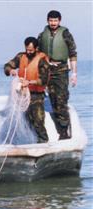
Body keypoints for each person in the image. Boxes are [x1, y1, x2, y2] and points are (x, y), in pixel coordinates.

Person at [37, 10, 78, 139]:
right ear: (47, 21)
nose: (53, 23)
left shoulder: (66, 34)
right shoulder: (42, 35)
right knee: (52, 100)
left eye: (55, 20)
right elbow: (37, 54)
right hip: (47, 70)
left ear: (59, 21)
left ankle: (64, 131)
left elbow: (72, 54)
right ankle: (55, 131)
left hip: (61, 70)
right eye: (51, 20)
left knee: (61, 100)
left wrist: (74, 73)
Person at [4, 37, 50, 143]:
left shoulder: (42, 60)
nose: (28, 52)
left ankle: (43, 141)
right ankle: (28, 142)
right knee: (24, 120)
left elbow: (44, 79)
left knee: (38, 120)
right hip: (22, 95)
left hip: (36, 95)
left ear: (36, 48)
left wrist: (29, 82)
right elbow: (7, 66)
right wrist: (10, 70)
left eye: (31, 50)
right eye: (27, 49)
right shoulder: (21, 56)